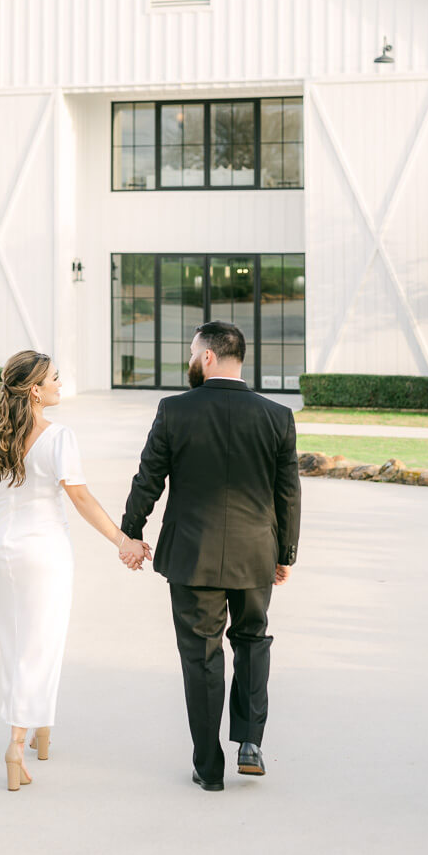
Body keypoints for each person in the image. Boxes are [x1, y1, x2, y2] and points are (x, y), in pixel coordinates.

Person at [119, 320, 301, 791]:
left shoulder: (174, 410)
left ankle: (208, 765)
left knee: (201, 656)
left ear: (208, 357)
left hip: (192, 556)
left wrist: (130, 533)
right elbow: (288, 494)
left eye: (192, 352)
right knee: (252, 640)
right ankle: (250, 743)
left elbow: (148, 477)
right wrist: (285, 553)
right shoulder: (277, 416)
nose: (190, 359)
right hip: (255, 554)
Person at [0, 349, 149, 791]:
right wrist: (124, 542)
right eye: (55, 380)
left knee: (14, 644)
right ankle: (18, 741)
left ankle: (40, 729)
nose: (60, 386)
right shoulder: (59, 436)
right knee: (40, 645)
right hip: (43, 551)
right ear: (35, 390)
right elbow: (80, 499)